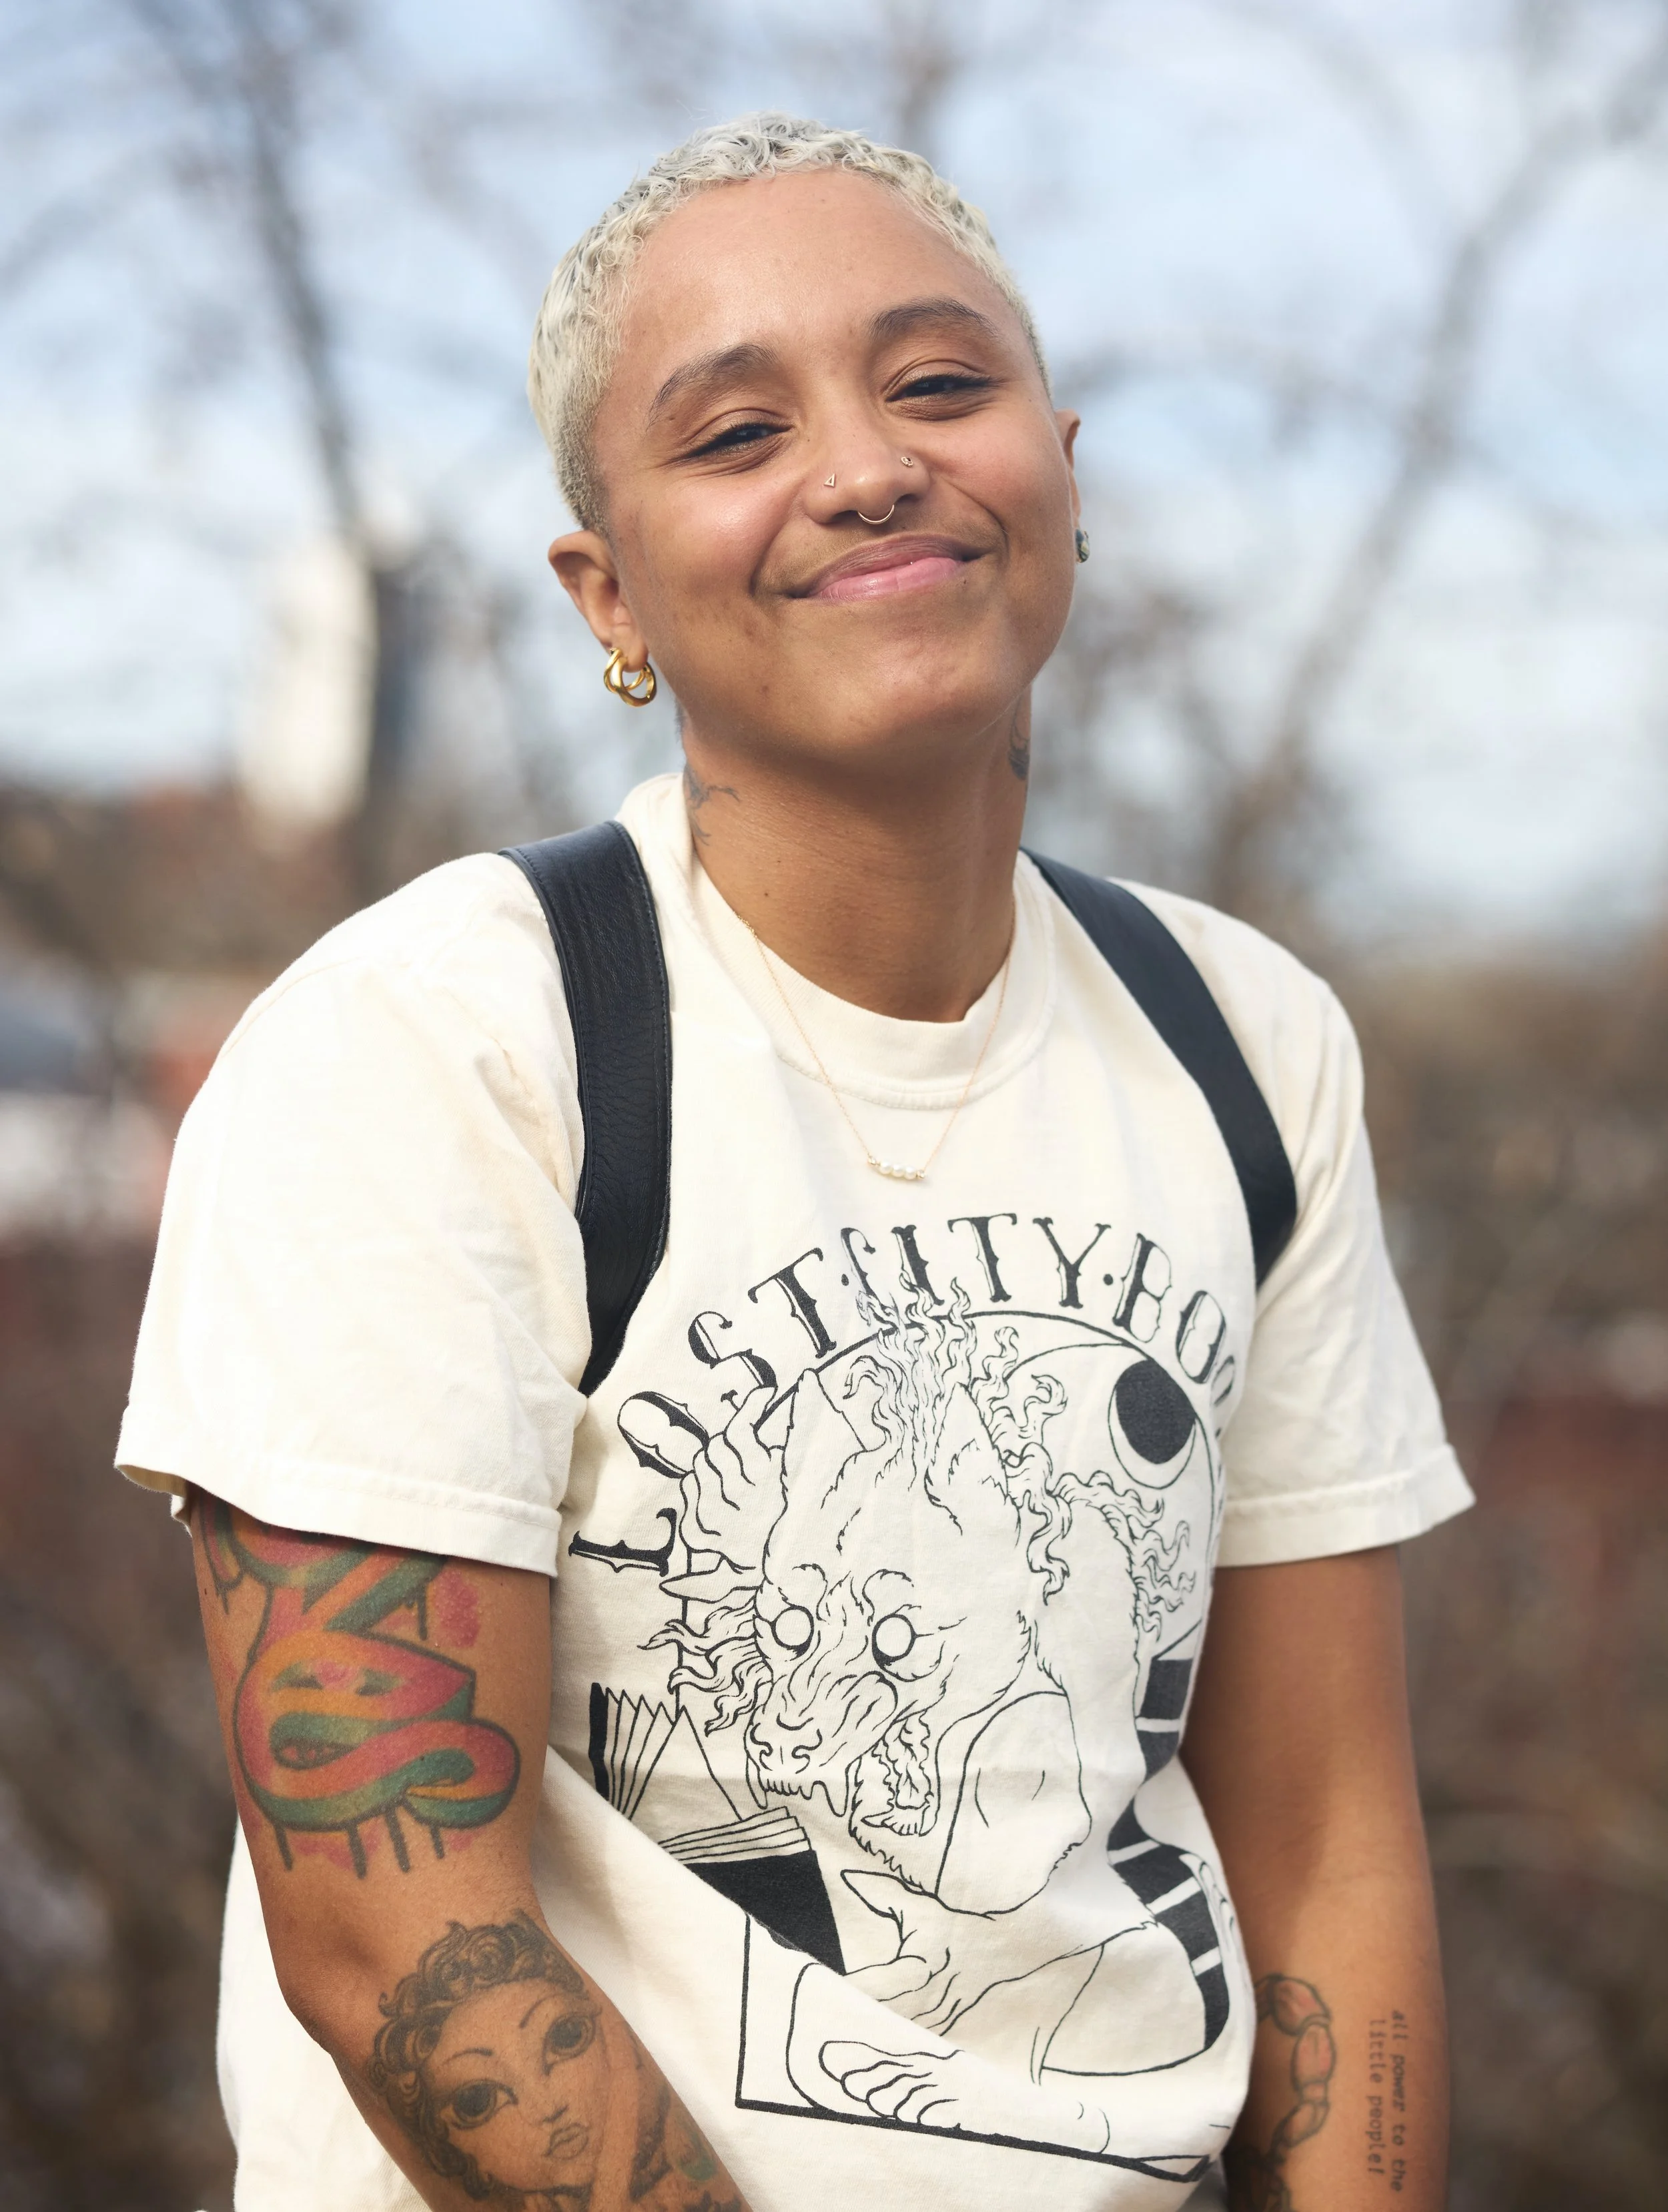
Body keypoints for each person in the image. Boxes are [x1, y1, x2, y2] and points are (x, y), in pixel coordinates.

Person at [118, 113, 1472, 2212]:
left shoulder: (1242, 1041)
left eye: (938, 384)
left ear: (1060, 475)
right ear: (610, 594)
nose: (866, 468)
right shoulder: (440, 1043)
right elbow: (404, 1943)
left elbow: (1328, 1851)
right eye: (737, 432)